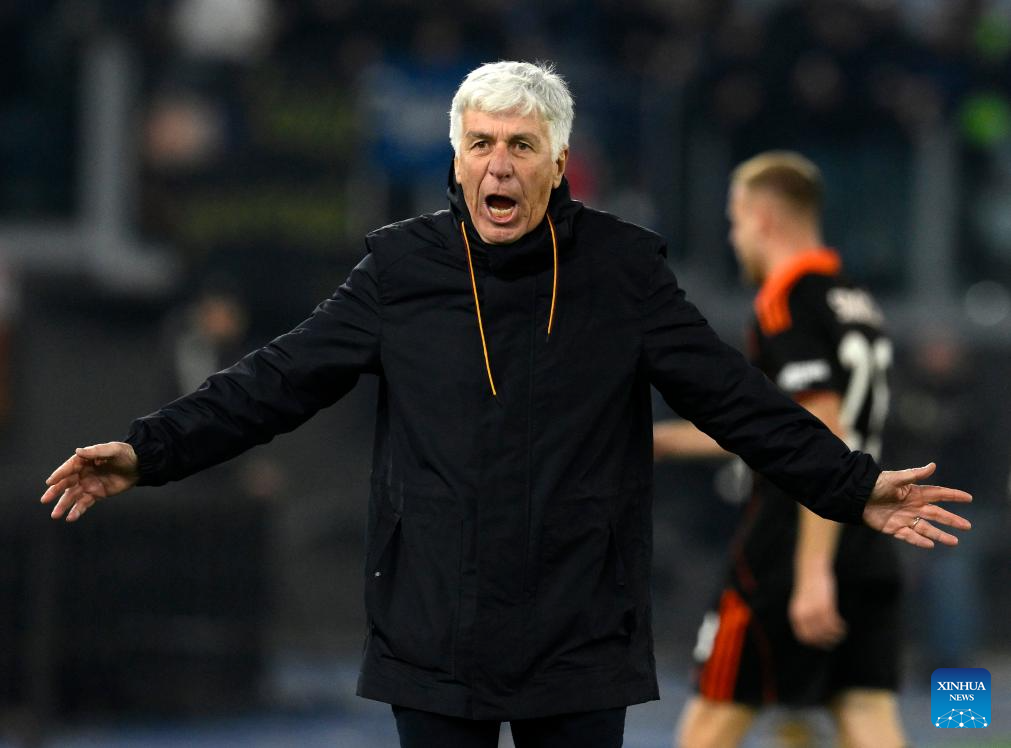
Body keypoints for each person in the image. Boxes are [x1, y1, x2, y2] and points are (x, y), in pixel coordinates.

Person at [41, 63, 970, 748]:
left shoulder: (623, 271)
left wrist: (851, 486)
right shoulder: (399, 270)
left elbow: (736, 400)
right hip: (433, 630)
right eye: (480, 144)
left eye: (521, 146)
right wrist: (147, 451)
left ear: (557, 163)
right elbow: (271, 382)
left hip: (579, 631)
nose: (499, 164)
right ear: (455, 160)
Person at [654, 151, 907, 748]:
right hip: (867, 527)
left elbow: (820, 431)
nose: (733, 236)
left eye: (734, 220)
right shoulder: (854, 299)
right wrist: (660, 441)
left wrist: (811, 572)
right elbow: (772, 430)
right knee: (866, 712)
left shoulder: (786, 299)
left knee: (713, 718)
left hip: (792, 536)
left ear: (762, 217)